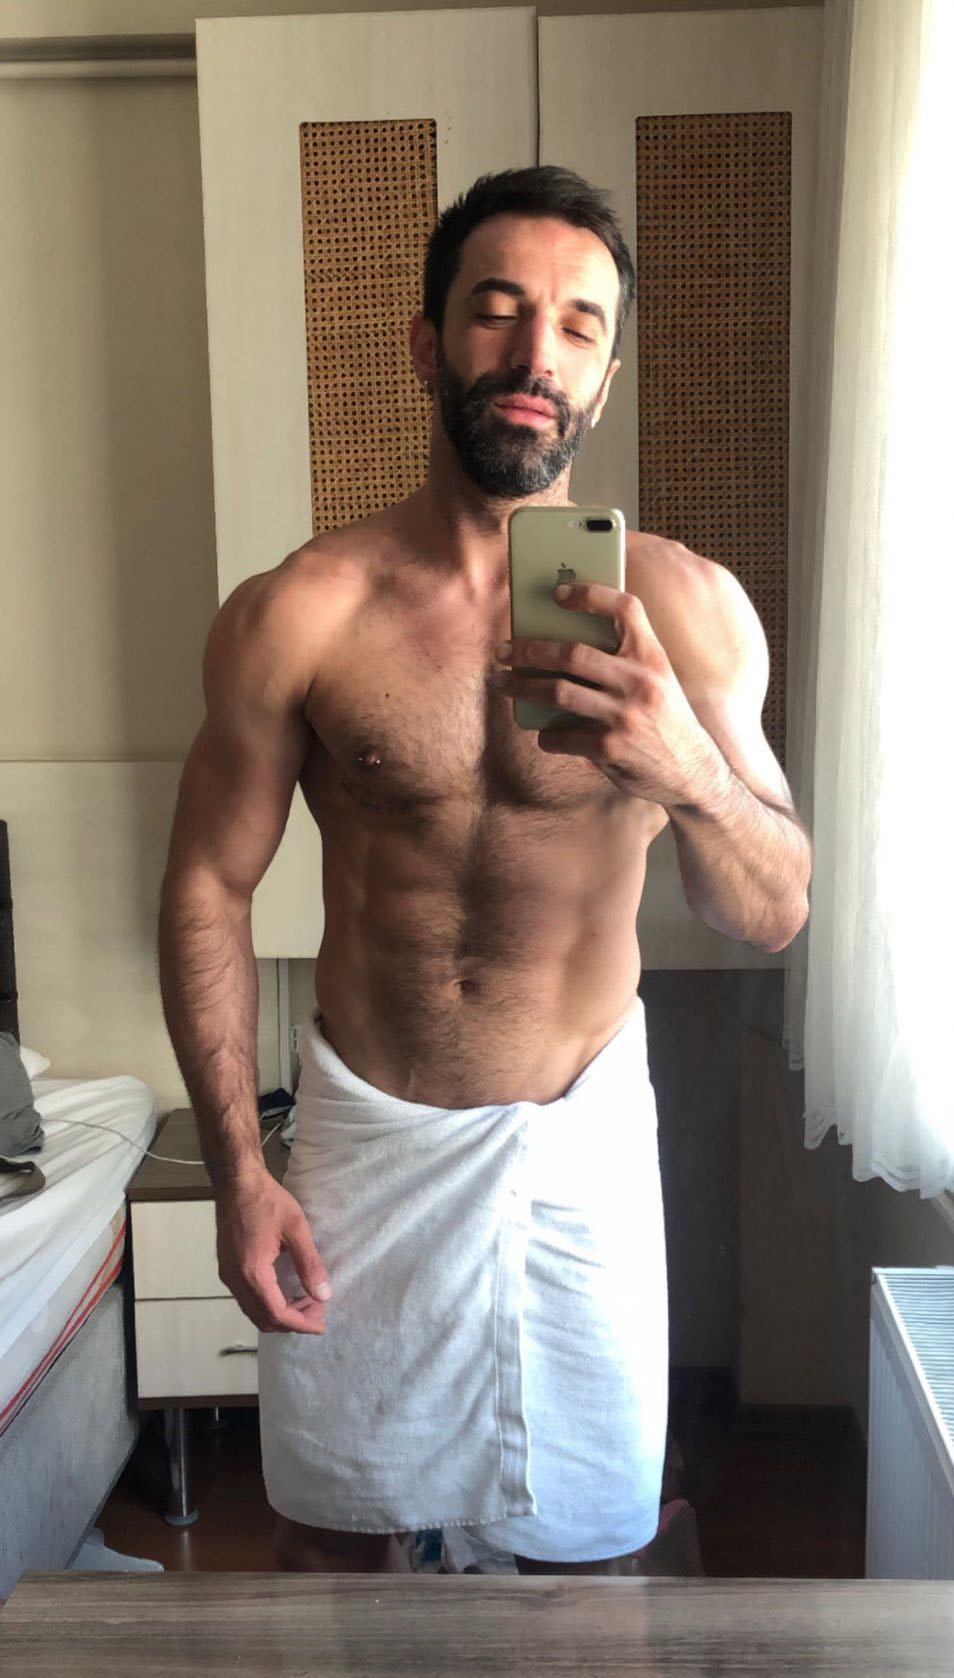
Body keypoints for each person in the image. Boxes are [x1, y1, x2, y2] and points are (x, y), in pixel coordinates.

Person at [158, 167, 811, 1577]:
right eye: (497, 312)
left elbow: (770, 908)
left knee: (590, 1553)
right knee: (335, 1547)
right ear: (428, 341)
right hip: (363, 1147)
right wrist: (236, 1173)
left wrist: (684, 770)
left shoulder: (686, 609)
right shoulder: (301, 611)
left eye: (577, 326)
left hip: (581, 1146)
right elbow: (208, 885)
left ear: (606, 376)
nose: (534, 356)